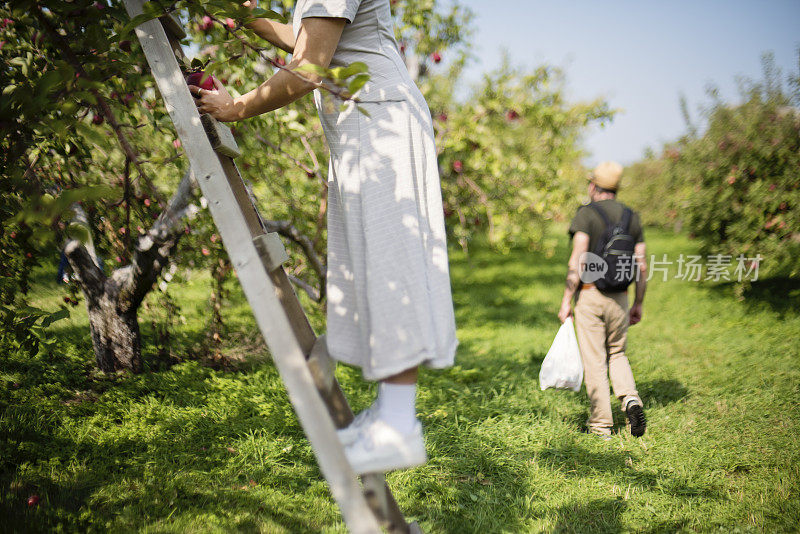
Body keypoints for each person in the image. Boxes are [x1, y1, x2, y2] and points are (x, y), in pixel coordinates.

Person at [190, 0, 458, 473]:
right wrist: (243, 14)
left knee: (390, 264)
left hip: (381, 126)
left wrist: (237, 107)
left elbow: (308, 67)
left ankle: (399, 424)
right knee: (375, 266)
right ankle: (389, 412)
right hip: (363, 126)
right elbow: (308, 40)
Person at [557, 161, 647, 438]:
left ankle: (600, 425)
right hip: (620, 297)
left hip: (590, 295)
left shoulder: (586, 214)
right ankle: (630, 399)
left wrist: (566, 299)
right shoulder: (631, 217)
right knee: (617, 353)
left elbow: (578, 257)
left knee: (595, 361)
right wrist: (638, 302)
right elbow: (641, 263)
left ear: (594, 185)